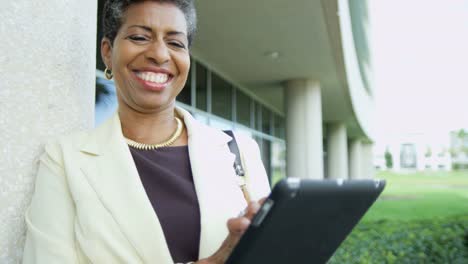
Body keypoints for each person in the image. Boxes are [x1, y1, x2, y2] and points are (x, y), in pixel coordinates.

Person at [22, 0, 270, 263]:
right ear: (108, 51)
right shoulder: (64, 159)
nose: (160, 55)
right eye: (140, 37)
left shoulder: (239, 150)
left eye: (175, 43)